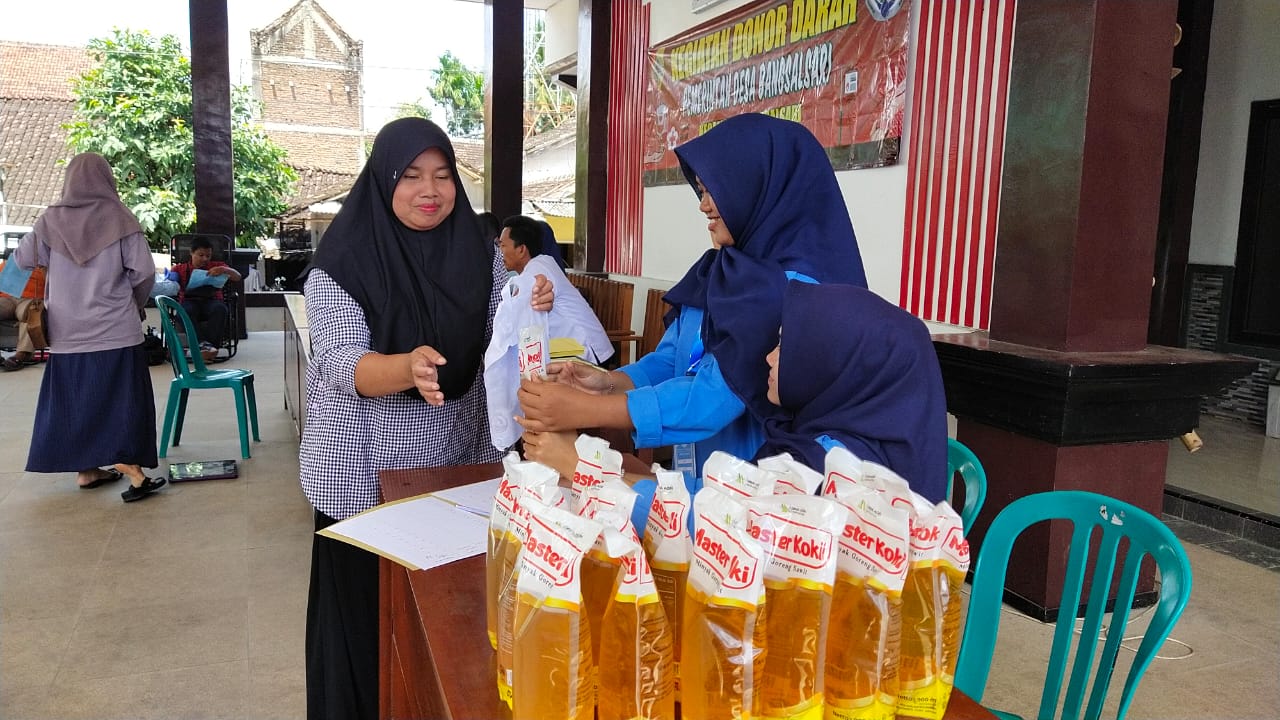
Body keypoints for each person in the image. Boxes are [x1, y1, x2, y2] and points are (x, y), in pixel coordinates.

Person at [298, 117, 554, 720]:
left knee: (445, 618)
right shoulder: (344, 261)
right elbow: (341, 364)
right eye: (411, 176)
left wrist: (529, 305)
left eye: (442, 175)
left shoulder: (476, 250)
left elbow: (501, 327)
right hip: (364, 473)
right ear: (384, 180)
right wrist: (406, 367)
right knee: (368, 621)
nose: (429, 190)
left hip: (458, 464)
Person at [517, 113, 867, 480]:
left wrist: (587, 410)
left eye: (716, 189)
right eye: (700, 190)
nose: (703, 204)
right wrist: (608, 383)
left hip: (765, 485)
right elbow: (674, 359)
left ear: (760, 185)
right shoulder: (724, 271)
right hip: (706, 478)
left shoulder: (796, 291)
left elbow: (714, 396)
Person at [523, 280, 950, 528]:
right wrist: (612, 466)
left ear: (829, 360)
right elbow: (722, 499)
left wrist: (580, 468)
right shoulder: (814, 432)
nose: (765, 356)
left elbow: (717, 526)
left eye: (784, 346)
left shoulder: (834, 470)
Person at [15, 152, 165, 501]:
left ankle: (87, 471)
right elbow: (143, 272)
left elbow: (22, 259)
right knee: (121, 399)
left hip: (67, 331)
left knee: (75, 399)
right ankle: (132, 469)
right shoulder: (121, 218)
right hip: (115, 327)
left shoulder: (50, 221)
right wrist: (134, 303)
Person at [495, 214, 612, 363]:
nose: (500, 251)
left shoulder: (538, 270)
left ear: (521, 249)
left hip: (589, 353)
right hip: (574, 350)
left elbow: (516, 312)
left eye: (503, 245)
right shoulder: (543, 263)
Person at [170, 235, 241, 361]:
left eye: (208, 256)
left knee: (220, 309)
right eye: (201, 255)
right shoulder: (180, 268)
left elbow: (238, 277)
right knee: (184, 312)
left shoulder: (218, 266)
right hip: (189, 301)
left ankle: (209, 348)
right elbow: (169, 282)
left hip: (211, 300)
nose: (205, 259)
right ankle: (204, 346)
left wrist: (225, 270)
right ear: (191, 253)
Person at [0, 259, 47, 370]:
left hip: (29, 300)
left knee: (30, 312)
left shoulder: (43, 266)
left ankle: (22, 354)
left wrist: (43, 269)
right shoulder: (6, 264)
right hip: (7, 298)